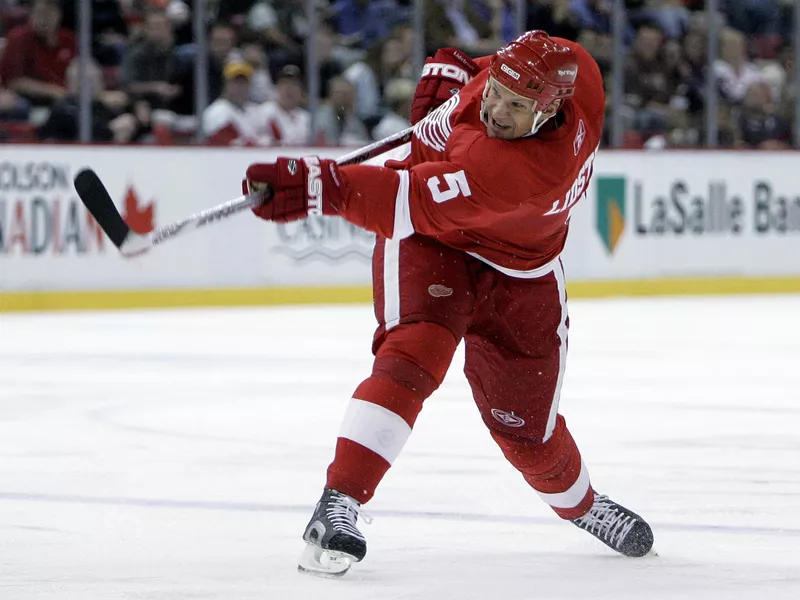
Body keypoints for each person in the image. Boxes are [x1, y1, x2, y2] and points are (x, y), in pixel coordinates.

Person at [242, 30, 655, 576]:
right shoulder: (572, 69)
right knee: (414, 355)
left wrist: (323, 187)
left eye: (516, 106)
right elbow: (505, 67)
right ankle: (339, 502)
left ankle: (584, 507)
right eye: (495, 92)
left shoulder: (514, 171)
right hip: (431, 247)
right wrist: (465, 65)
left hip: (516, 270)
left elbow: (401, 201)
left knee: (525, 426)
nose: (497, 111)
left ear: (550, 108)